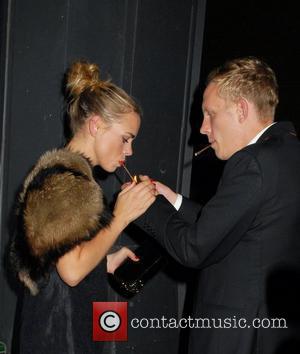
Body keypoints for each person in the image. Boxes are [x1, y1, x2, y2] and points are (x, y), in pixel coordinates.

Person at [135, 57, 300, 353]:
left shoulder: (252, 162)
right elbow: (239, 226)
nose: (202, 128)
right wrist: (172, 200)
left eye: (210, 114)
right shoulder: (287, 151)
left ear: (241, 110)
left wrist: (143, 205)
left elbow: (193, 248)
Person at [9, 60, 156, 353]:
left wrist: (106, 259)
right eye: (126, 139)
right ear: (96, 125)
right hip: (58, 338)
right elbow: (72, 272)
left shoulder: (72, 179)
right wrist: (121, 218)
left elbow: (64, 258)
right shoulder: (63, 180)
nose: (129, 151)